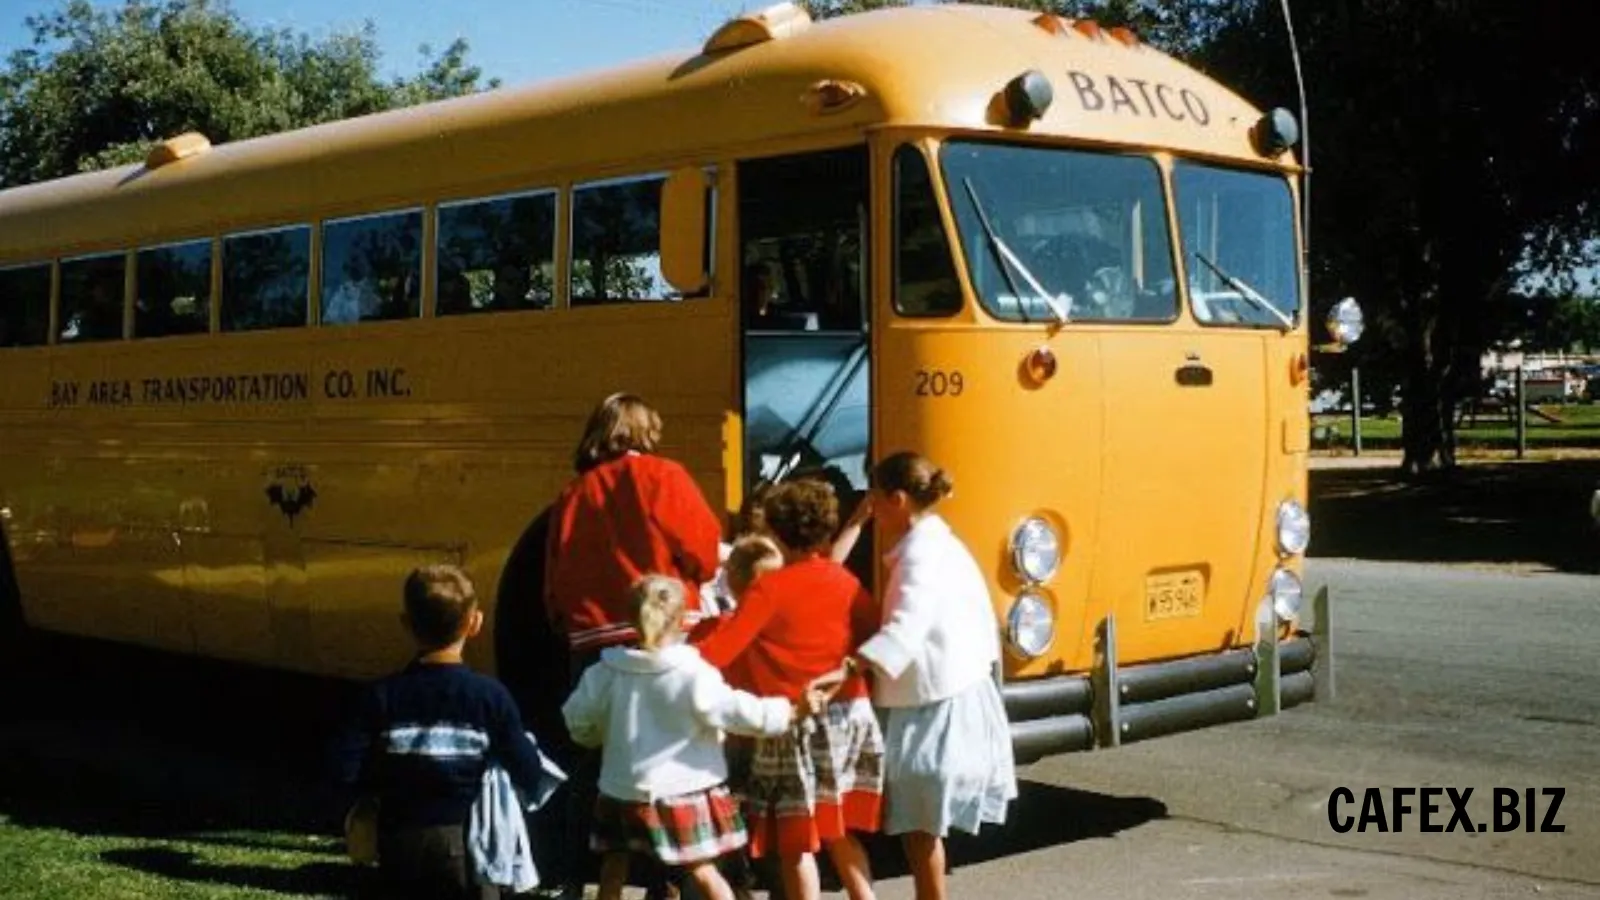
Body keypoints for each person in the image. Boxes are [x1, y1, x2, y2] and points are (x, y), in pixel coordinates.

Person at [544, 392, 725, 899]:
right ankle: (671, 875)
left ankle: (584, 872)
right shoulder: (665, 477)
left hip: (594, 641)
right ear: (646, 430)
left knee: (596, 766)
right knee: (669, 761)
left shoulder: (573, 493)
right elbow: (704, 552)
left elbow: (554, 579)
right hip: (663, 635)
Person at [815, 452, 1018, 900]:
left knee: (919, 825)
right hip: (948, 688)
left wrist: (850, 666)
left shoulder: (920, 555)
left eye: (877, 503)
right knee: (919, 826)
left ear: (898, 499)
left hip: (932, 700)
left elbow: (906, 627)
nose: (874, 512)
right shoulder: (938, 542)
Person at [562, 575, 803, 900]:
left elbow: (578, 719)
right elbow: (735, 711)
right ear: (680, 620)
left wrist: (596, 737)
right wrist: (783, 712)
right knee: (703, 870)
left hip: (622, 789)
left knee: (614, 867)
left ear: (631, 617)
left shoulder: (606, 671)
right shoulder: (692, 673)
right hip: (684, 790)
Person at [695, 481, 882, 900]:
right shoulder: (844, 580)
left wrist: (667, 649)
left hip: (796, 720)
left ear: (776, 531)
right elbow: (874, 637)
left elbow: (719, 653)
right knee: (835, 830)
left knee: (796, 840)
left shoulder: (770, 588)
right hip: (851, 713)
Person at [333, 565, 553, 900]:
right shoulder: (489, 697)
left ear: (406, 623)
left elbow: (343, 768)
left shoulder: (381, 695)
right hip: (465, 837)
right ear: (475, 622)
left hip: (398, 837)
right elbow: (527, 768)